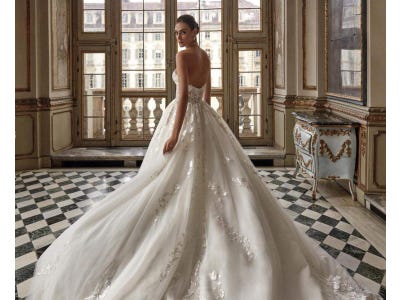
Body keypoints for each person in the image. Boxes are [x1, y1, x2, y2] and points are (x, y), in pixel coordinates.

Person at [27, 15, 381, 300]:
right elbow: (207, 95)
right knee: (213, 182)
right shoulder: (206, 55)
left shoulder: (184, 57)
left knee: (174, 183)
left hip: (186, 120)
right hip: (206, 120)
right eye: (177, 33)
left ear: (195, 31)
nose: (179, 37)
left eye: (184, 31)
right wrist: (207, 120)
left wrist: (175, 133)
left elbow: (182, 98)